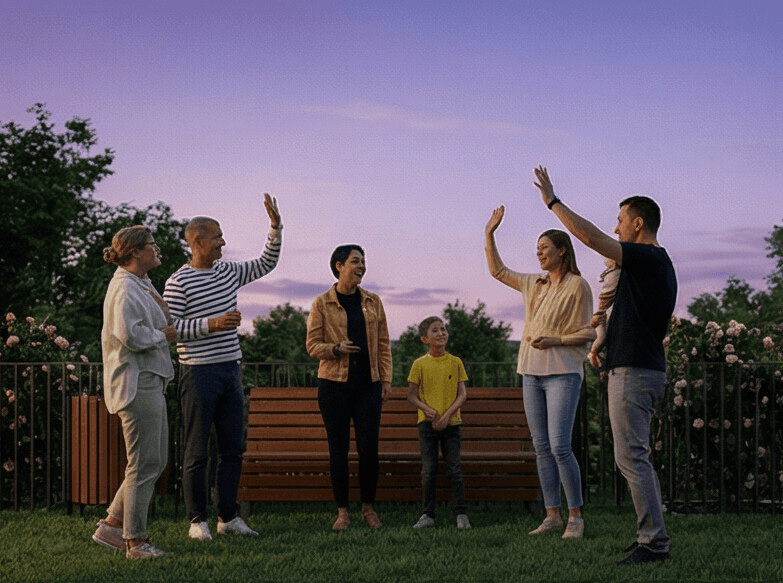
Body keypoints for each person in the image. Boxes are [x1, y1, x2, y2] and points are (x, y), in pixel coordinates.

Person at [533, 165, 677, 565]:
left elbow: (591, 237)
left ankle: (655, 543)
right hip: (630, 366)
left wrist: (553, 202)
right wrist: (603, 343)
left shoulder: (648, 257)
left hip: (635, 372)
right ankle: (650, 536)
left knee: (632, 456)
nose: (616, 229)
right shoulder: (646, 268)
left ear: (638, 223)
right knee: (630, 456)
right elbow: (632, 317)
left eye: (620, 221)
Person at [163, 193, 282, 540]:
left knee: (232, 448)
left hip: (231, 369)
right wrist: (214, 324)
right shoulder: (178, 282)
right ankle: (196, 521)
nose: (223, 243)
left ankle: (228, 517)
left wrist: (275, 227)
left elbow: (265, 263)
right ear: (197, 242)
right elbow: (172, 330)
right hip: (198, 372)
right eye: (217, 237)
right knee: (197, 450)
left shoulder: (229, 271)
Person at [485, 207, 595, 539]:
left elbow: (590, 333)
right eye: (537, 249)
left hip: (563, 372)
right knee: (541, 447)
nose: (540, 254)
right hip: (530, 372)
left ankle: (575, 516)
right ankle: (552, 516)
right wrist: (489, 234)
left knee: (560, 446)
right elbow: (498, 271)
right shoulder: (534, 283)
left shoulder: (578, 286)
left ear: (562, 251)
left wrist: (556, 340)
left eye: (545, 248)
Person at [92, 226, 177, 559]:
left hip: (149, 380)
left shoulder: (141, 283)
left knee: (152, 461)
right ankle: (135, 542)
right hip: (136, 382)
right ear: (135, 251)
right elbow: (130, 335)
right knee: (144, 464)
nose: (157, 249)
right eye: (152, 245)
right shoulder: (125, 288)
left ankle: (112, 525)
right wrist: (164, 336)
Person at [305, 244, 392, 531]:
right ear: (339, 265)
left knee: (369, 449)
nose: (362, 265)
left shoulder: (373, 301)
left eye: (363, 261)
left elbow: (383, 344)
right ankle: (342, 511)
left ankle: (368, 507)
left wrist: (386, 379)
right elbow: (312, 345)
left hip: (368, 385)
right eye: (355, 261)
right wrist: (335, 348)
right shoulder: (322, 303)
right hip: (334, 386)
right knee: (338, 450)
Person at [406, 316, 470, 530]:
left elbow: (462, 395)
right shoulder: (419, 364)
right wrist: (429, 412)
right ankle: (428, 514)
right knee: (429, 470)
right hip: (427, 426)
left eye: (443, 329)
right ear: (425, 338)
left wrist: (446, 416)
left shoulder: (456, 362)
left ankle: (461, 514)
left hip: (452, 425)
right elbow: (412, 396)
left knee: (454, 469)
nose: (441, 333)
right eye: (435, 330)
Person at [587, 259, 621, 368]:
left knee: (601, 337)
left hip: (604, 313)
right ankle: (593, 353)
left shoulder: (616, 272)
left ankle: (594, 353)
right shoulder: (611, 272)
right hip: (601, 314)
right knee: (601, 337)